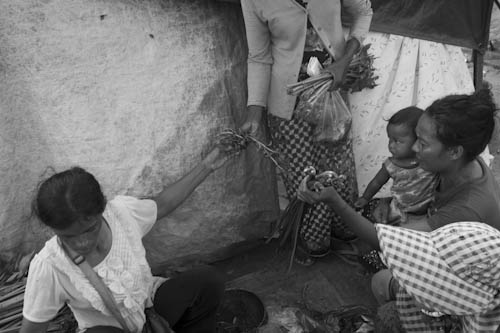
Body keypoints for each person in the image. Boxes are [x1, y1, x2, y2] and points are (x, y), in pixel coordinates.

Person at [298, 88, 500, 305]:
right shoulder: (463, 163)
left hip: (467, 286)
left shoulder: (467, 209)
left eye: (423, 143)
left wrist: (334, 201)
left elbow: (385, 241)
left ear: (454, 152)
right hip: (436, 238)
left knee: (380, 278)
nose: (414, 148)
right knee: (373, 210)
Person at [20, 146, 231, 333]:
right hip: (108, 330)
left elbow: (163, 203)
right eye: (68, 237)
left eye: (90, 229)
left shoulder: (121, 214)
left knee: (208, 281)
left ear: (102, 209)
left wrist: (208, 164)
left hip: (151, 311)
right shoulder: (49, 267)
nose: (81, 243)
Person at [240, 0, 373, 265]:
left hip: (331, 91)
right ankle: (315, 240)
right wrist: (254, 110)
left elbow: (363, 12)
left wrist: (344, 61)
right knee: (302, 172)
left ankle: (344, 229)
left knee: (338, 165)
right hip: (288, 99)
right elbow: (259, 56)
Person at [354, 106, 438, 225]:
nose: (391, 145)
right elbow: (377, 182)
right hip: (400, 210)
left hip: (427, 211)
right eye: (390, 139)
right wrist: (365, 198)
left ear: (417, 139)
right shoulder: (391, 165)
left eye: (397, 141)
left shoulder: (428, 162)